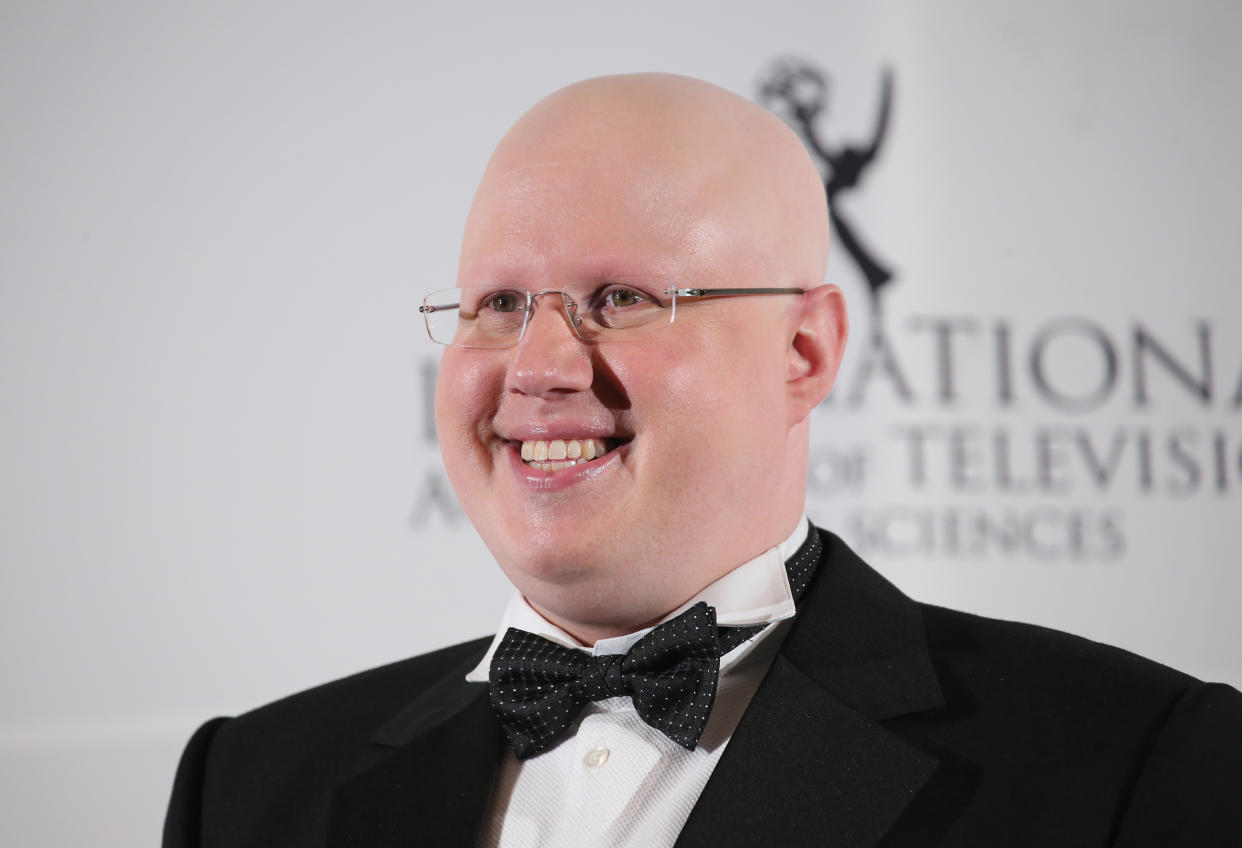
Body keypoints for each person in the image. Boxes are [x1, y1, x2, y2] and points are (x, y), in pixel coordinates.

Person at [164, 73, 1242, 847]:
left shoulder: (1128, 760)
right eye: (498, 303)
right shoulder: (251, 785)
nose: (538, 364)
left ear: (804, 350)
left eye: (620, 299)